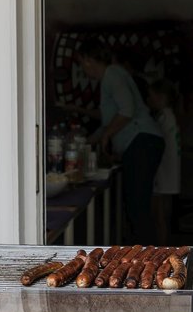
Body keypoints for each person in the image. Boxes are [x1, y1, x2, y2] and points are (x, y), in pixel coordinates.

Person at [77, 39, 165, 244]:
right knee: (136, 205)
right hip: (144, 142)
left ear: (89, 60)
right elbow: (110, 121)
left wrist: (107, 136)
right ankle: (146, 258)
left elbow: (126, 111)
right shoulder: (111, 77)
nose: (82, 68)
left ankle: (149, 263)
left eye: (81, 62)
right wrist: (88, 141)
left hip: (141, 141)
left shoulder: (112, 74)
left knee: (137, 206)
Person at [147, 78, 182, 245]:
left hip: (162, 171)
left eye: (151, 97)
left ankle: (161, 248)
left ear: (161, 97)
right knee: (164, 214)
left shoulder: (164, 117)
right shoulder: (170, 116)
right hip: (169, 171)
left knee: (159, 215)